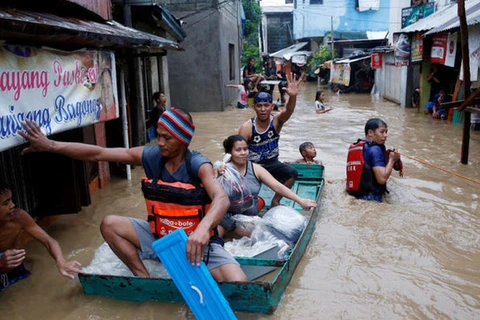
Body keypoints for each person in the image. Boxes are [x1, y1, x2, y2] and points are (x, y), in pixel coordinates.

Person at [19, 109, 248, 283]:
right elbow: (99, 153)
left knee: (239, 282)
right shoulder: (151, 156)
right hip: (161, 236)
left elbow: (221, 199)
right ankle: (144, 277)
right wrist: (51, 145)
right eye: (158, 136)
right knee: (110, 224)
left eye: (167, 138)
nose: (160, 142)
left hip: (198, 243)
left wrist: (201, 231)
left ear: (183, 139)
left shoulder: (198, 164)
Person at [216, 135, 317, 238]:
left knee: (259, 235)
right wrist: (217, 176)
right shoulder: (223, 169)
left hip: (247, 217)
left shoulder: (255, 169)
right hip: (225, 216)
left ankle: (231, 233)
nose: (243, 153)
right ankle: (227, 232)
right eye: (238, 150)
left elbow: (277, 186)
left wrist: (301, 201)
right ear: (230, 153)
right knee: (216, 236)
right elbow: (209, 194)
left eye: (245, 149)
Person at [0, 181, 82, 292]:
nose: (12, 205)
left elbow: (48, 241)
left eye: (11, 200)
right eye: (5, 203)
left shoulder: (18, 217)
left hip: (16, 271)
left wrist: (61, 261)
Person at [238, 72, 304, 208]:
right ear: (254, 107)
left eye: (266, 105)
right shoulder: (247, 127)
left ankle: (276, 201)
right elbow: (237, 152)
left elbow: (288, 111)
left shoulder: (276, 121)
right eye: (259, 105)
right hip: (253, 166)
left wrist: (293, 97)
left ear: (272, 107)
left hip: (272, 163)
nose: (263, 109)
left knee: (292, 173)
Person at [346, 118, 401, 202]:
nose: (385, 135)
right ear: (370, 133)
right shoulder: (375, 149)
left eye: (386, 132)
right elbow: (382, 179)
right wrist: (392, 159)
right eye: (382, 132)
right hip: (372, 199)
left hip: (354, 196)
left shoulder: (359, 146)